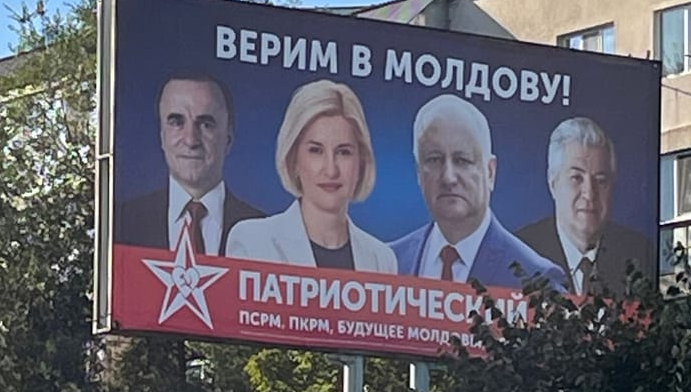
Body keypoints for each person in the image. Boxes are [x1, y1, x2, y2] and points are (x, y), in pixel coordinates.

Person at [389, 94, 564, 290]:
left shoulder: (536, 280)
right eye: (434, 159)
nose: (448, 178)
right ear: (419, 172)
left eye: (462, 160)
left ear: (490, 172)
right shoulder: (386, 263)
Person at [223, 80, 398, 273]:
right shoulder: (253, 242)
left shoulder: (381, 259)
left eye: (344, 152)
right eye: (316, 150)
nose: (331, 170)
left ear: (361, 161)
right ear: (294, 159)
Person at [114, 70, 265, 255]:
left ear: (228, 139)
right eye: (177, 122)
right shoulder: (123, 220)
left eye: (206, 124)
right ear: (162, 137)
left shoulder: (263, 233)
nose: (191, 140)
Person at [515, 117, 657, 296]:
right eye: (576, 178)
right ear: (553, 183)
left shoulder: (637, 254)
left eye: (600, 180)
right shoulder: (521, 253)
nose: (590, 193)